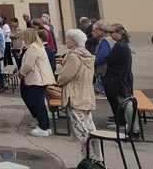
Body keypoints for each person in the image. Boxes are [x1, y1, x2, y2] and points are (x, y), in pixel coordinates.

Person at [56, 29, 103, 165]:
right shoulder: (87, 55)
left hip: (75, 93)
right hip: (86, 93)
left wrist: (59, 80)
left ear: (74, 41)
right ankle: (98, 157)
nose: (65, 41)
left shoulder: (74, 56)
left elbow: (66, 75)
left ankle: (88, 160)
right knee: (89, 127)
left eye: (67, 39)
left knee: (81, 130)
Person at [102, 23, 139, 136]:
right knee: (125, 101)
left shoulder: (120, 46)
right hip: (122, 76)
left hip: (119, 78)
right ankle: (132, 127)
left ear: (119, 33)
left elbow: (109, 59)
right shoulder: (122, 44)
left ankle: (134, 129)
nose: (110, 35)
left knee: (126, 102)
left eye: (112, 32)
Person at [17, 28, 55, 137]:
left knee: (38, 103)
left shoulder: (33, 47)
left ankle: (43, 126)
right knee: (40, 103)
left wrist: (21, 73)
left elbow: (28, 64)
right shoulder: (38, 46)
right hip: (40, 78)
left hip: (36, 79)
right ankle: (45, 125)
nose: (22, 38)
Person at [91, 20, 113, 96]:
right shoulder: (110, 39)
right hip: (108, 71)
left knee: (103, 95)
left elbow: (102, 57)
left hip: (104, 72)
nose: (92, 33)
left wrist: (92, 62)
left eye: (94, 31)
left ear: (100, 31)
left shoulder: (105, 41)